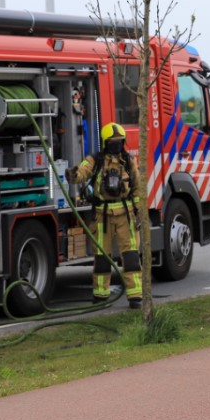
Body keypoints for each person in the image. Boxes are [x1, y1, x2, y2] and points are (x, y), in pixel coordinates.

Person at [66, 123, 142, 309]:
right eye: (112, 142)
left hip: (126, 215)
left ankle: (135, 297)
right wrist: (73, 175)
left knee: (131, 256)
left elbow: (138, 187)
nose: (116, 145)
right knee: (102, 257)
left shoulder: (129, 161)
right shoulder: (96, 159)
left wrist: (139, 213)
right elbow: (83, 172)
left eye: (119, 142)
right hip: (102, 216)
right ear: (105, 143)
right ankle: (101, 296)